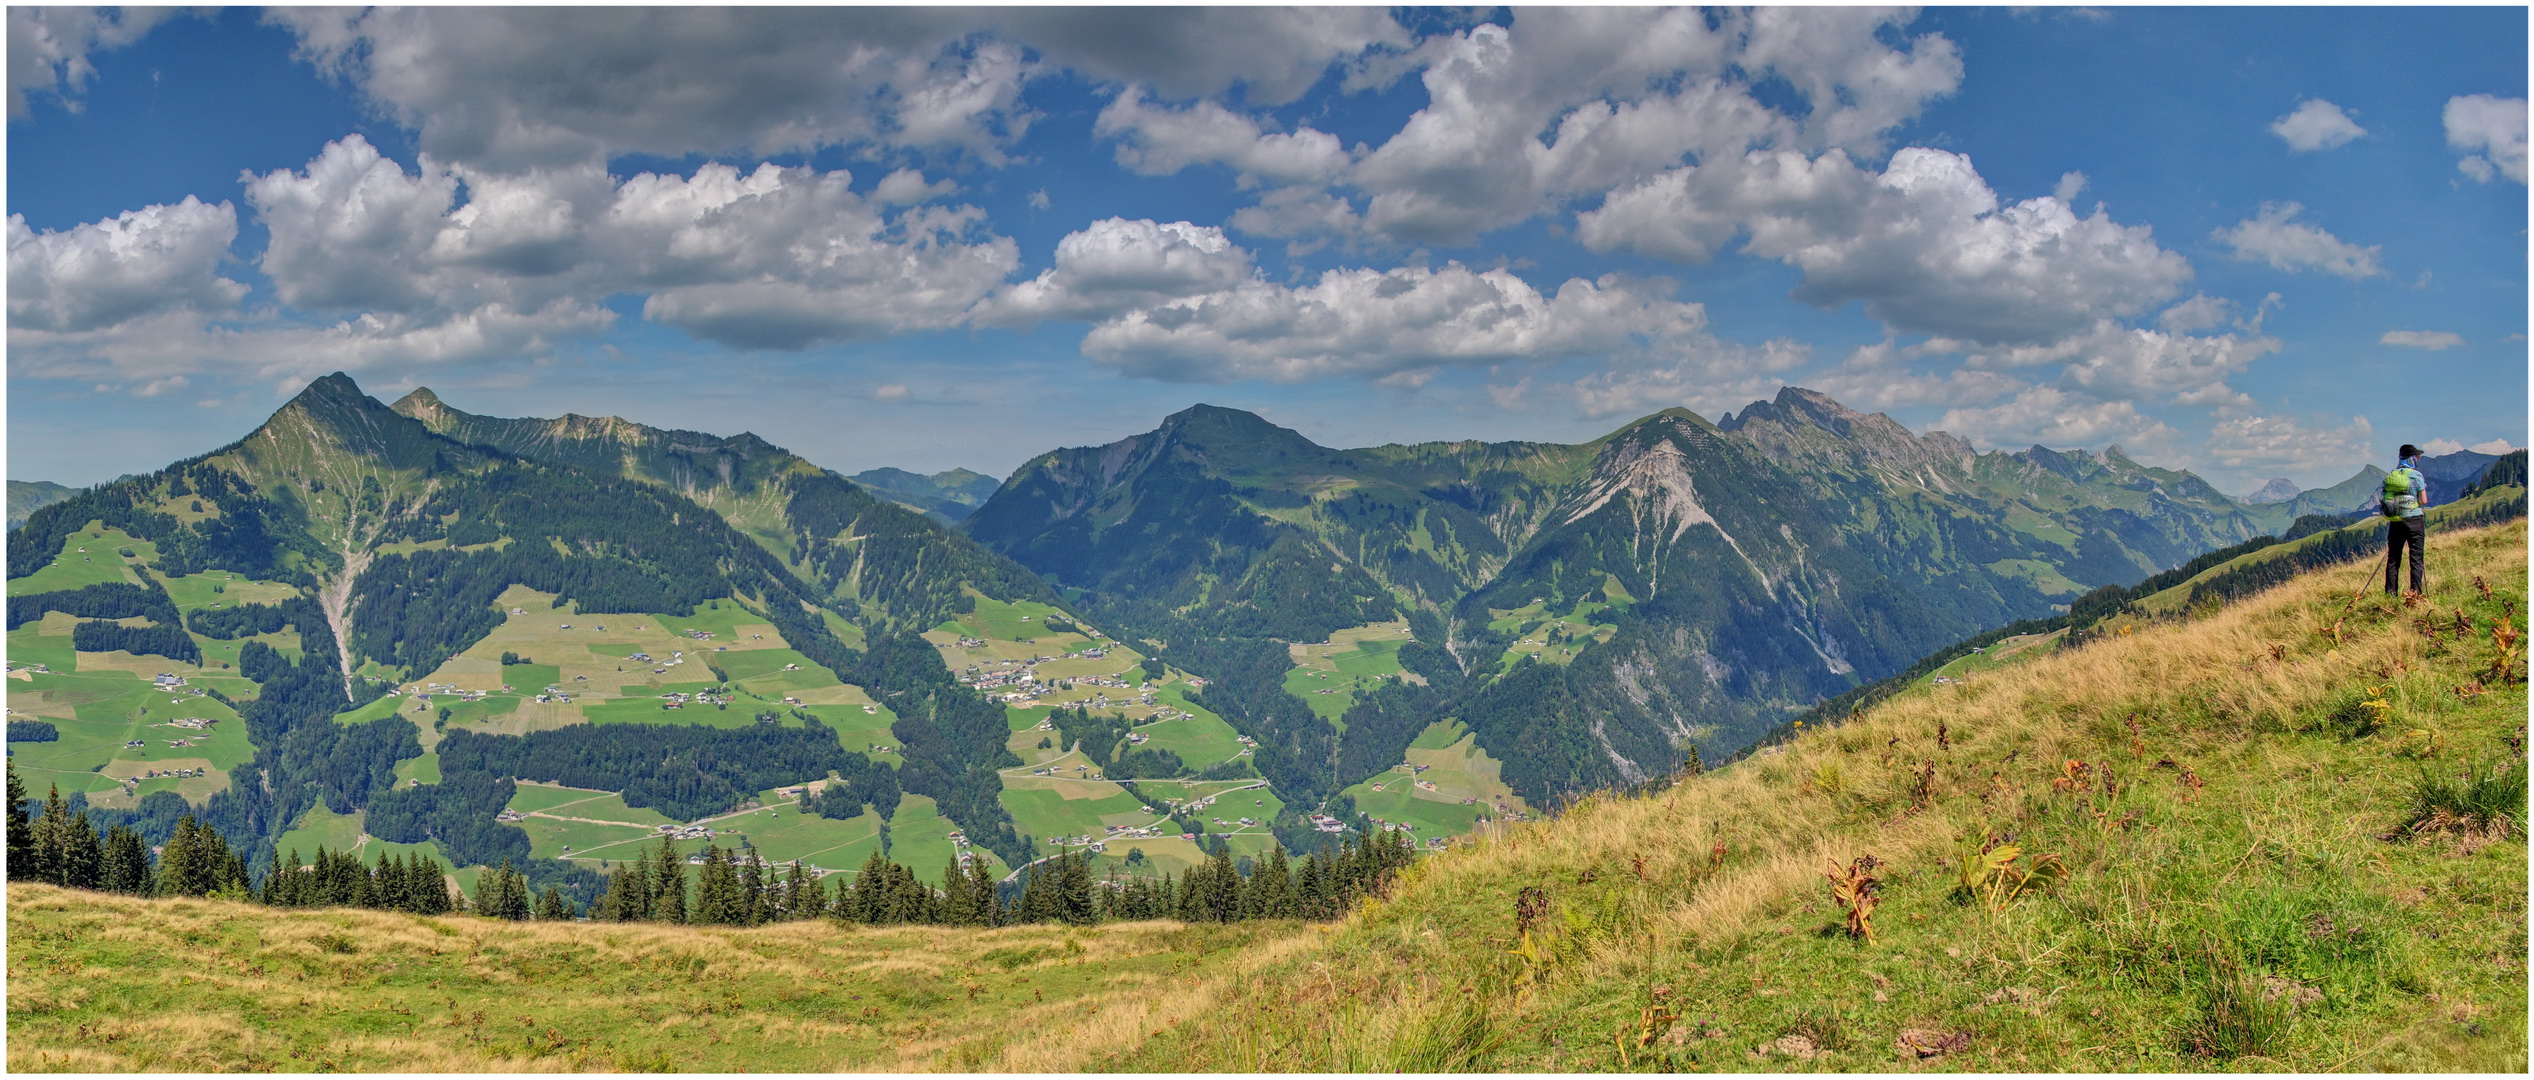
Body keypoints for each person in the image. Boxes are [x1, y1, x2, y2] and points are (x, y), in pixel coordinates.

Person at [2380, 444, 2429, 596]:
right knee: (2415, 557)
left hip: (2396, 520)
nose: (2418, 458)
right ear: (2412, 458)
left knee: (2394, 557)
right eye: (2417, 456)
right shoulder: (2416, 475)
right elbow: (2424, 500)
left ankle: (2390, 594)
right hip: (2414, 519)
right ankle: (2415, 594)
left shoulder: (2392, 475)